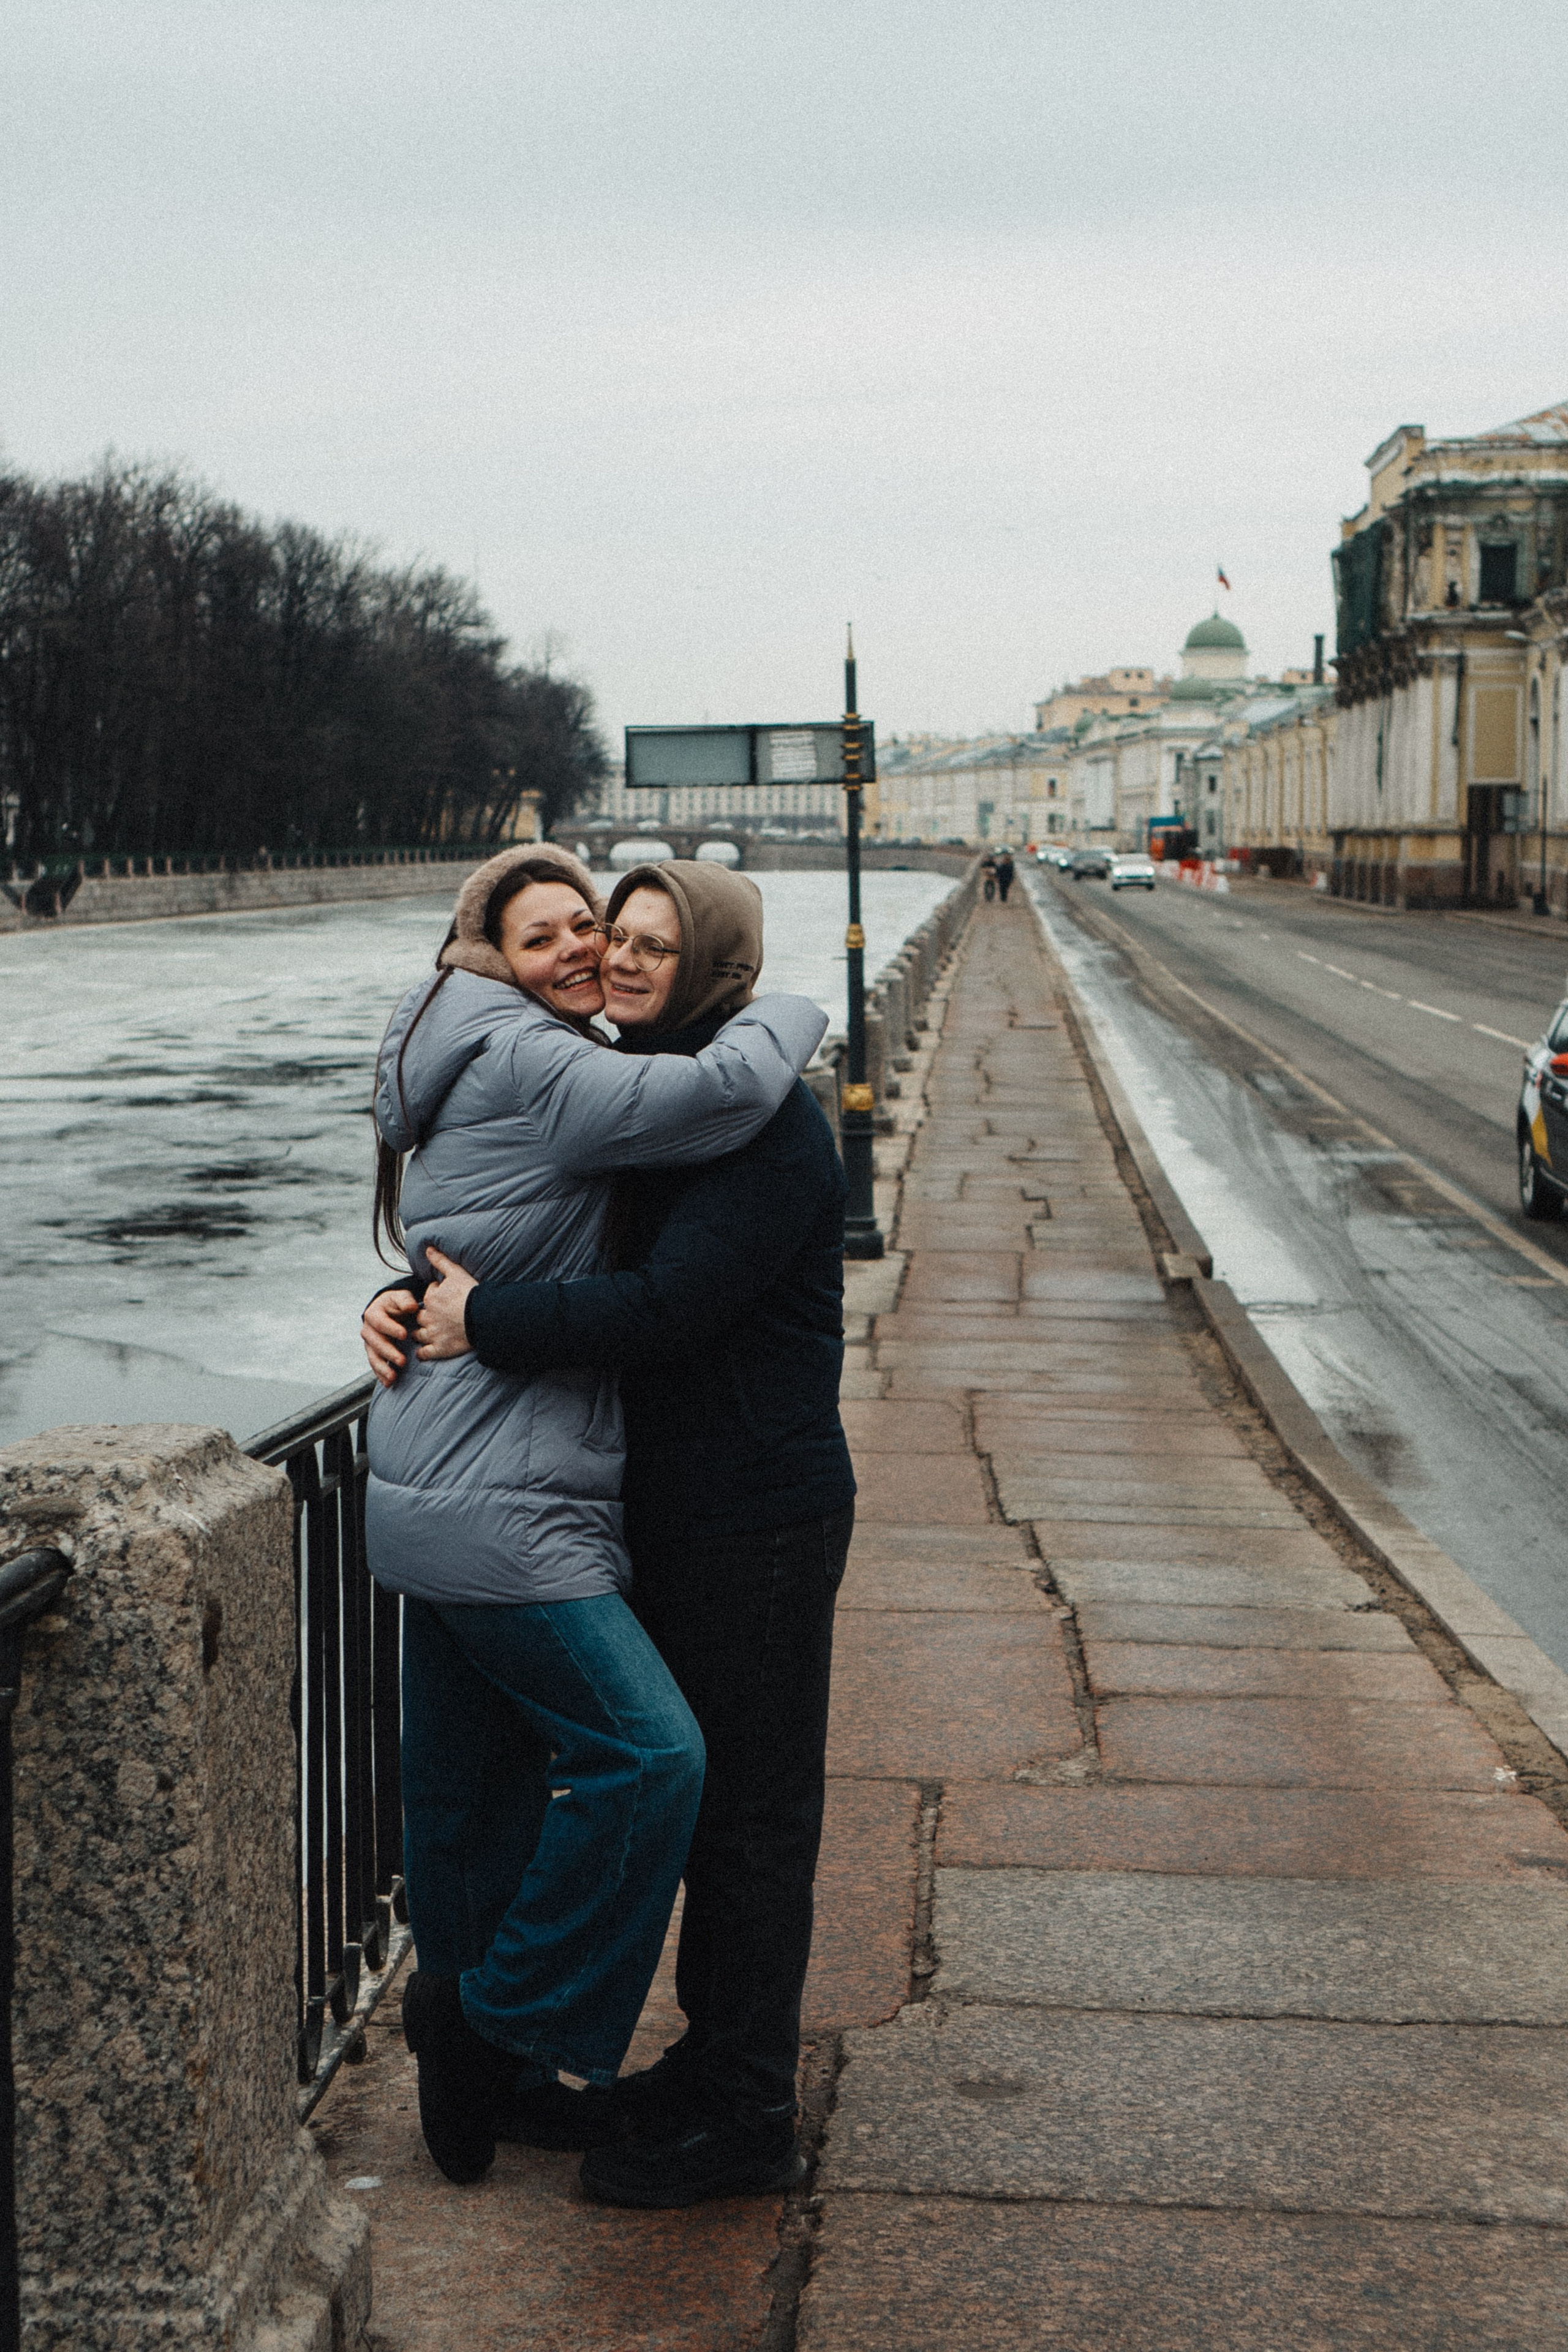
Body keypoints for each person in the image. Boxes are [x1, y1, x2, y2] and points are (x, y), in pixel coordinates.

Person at [364, 861, 854, 2208]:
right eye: (602, 933)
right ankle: (675, 2069)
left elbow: (664, 1307)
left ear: (715, 968)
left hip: (754, 1509)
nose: (618, 958)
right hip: (646, 1503)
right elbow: (515, 1227)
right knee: (663, 1794)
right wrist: (408, 1299)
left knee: (742, 1815)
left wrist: (476, 1321)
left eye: (648, 942)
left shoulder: (763, 1121)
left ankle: (740, 2109)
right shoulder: (630, 1091)